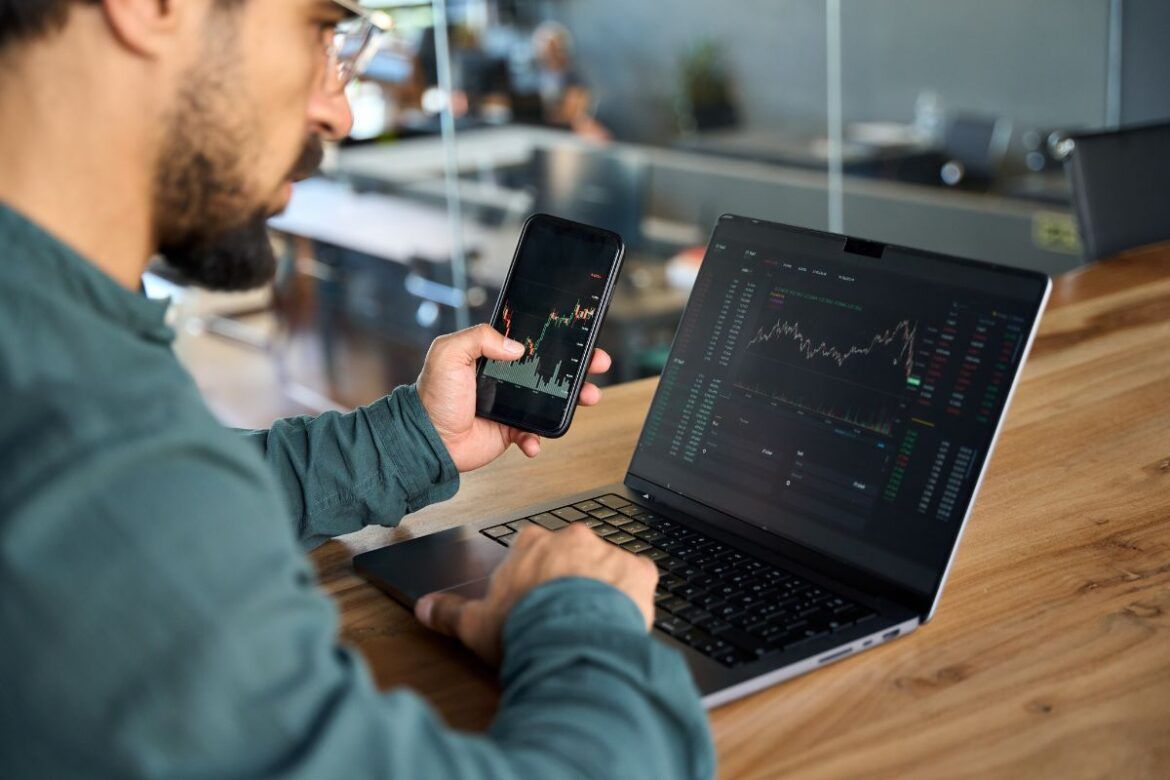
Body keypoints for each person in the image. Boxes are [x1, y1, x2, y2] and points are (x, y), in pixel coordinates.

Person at [0, 0, 714, 777]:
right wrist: (583, 621)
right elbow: (133, 510)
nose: (338, 112)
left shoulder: (52, 358)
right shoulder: (75, 438)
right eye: (321, 31)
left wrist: (412, 438)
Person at [530, 21, 611, 142]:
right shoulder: (535, 75)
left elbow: (573, 111)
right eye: (547, 47)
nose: (552, 52)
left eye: (555, 47)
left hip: (566, 130)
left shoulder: (574, 76)